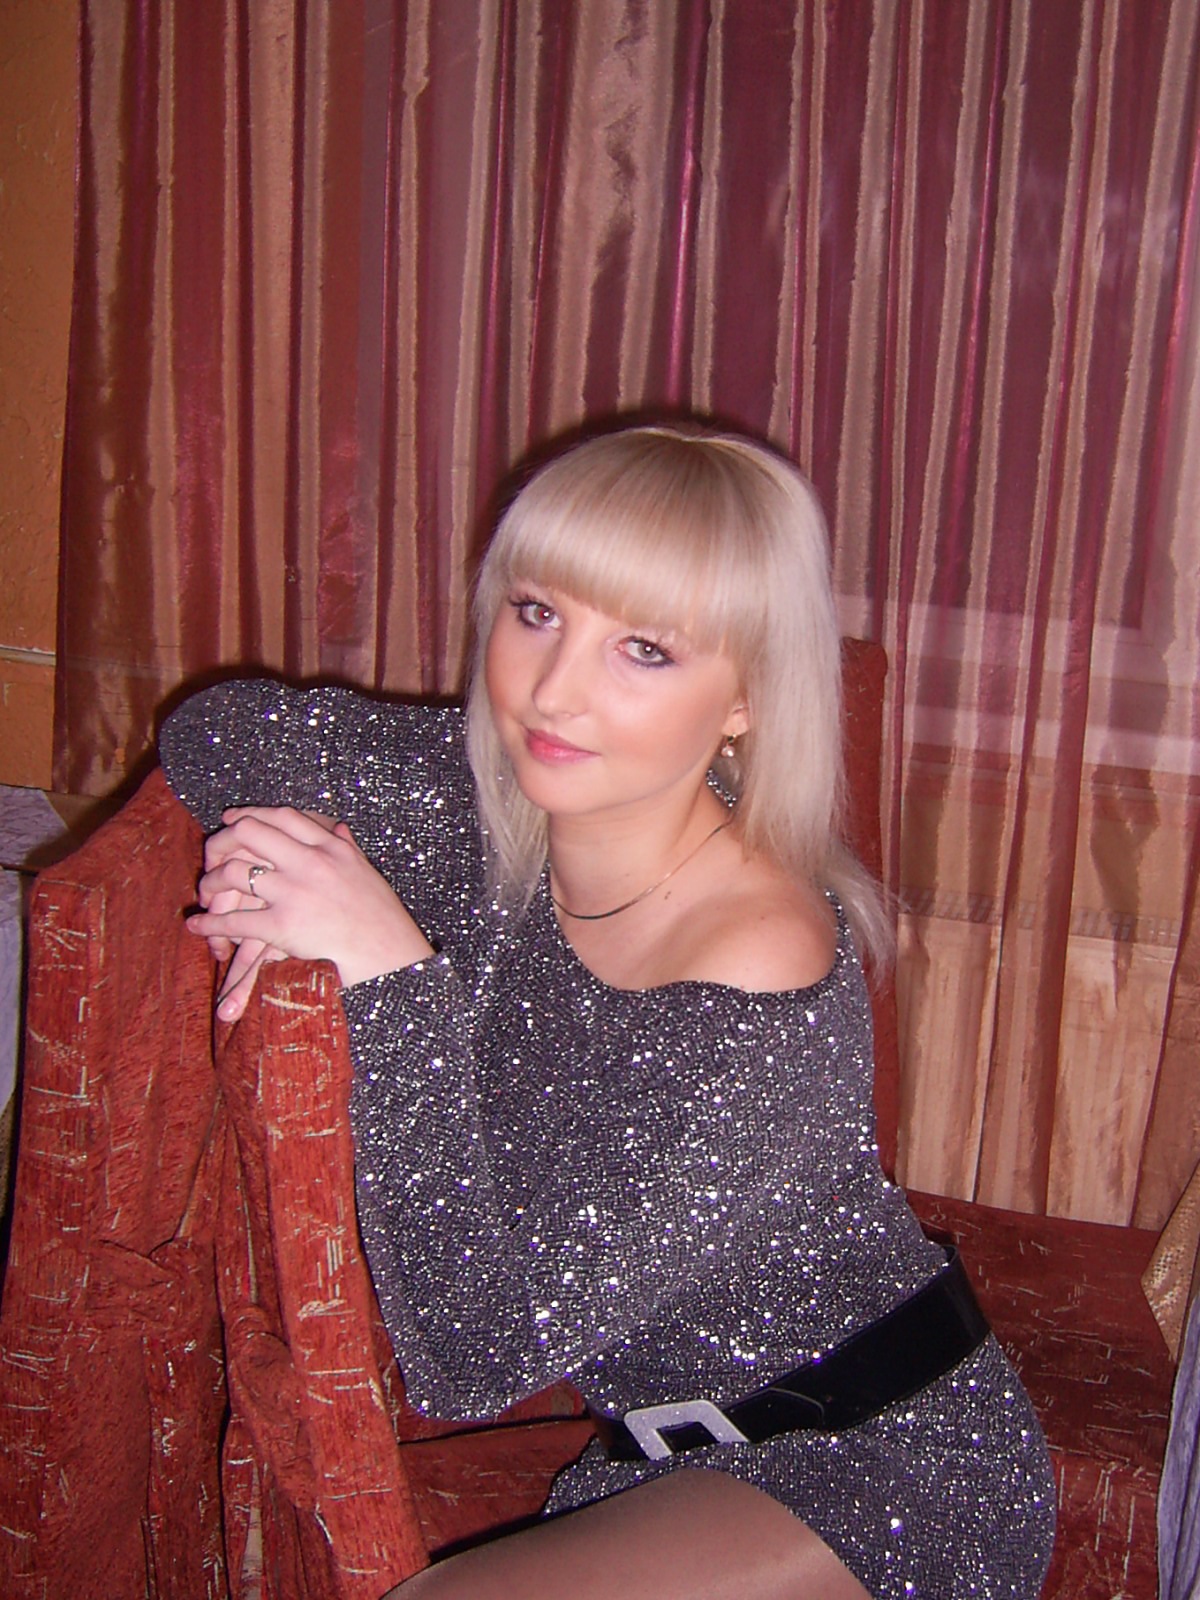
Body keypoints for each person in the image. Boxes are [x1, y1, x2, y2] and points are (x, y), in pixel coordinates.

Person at [161, 424, 1055, 1599]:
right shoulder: (510, 804)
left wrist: (387, 971)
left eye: (643, 648)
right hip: (657, 1460)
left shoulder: (757, 959)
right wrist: (278, 860)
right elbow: (216, 731)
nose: (555, 687)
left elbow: (471, 1354)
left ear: (747, 697)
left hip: (879, 1457)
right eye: (538, 611)